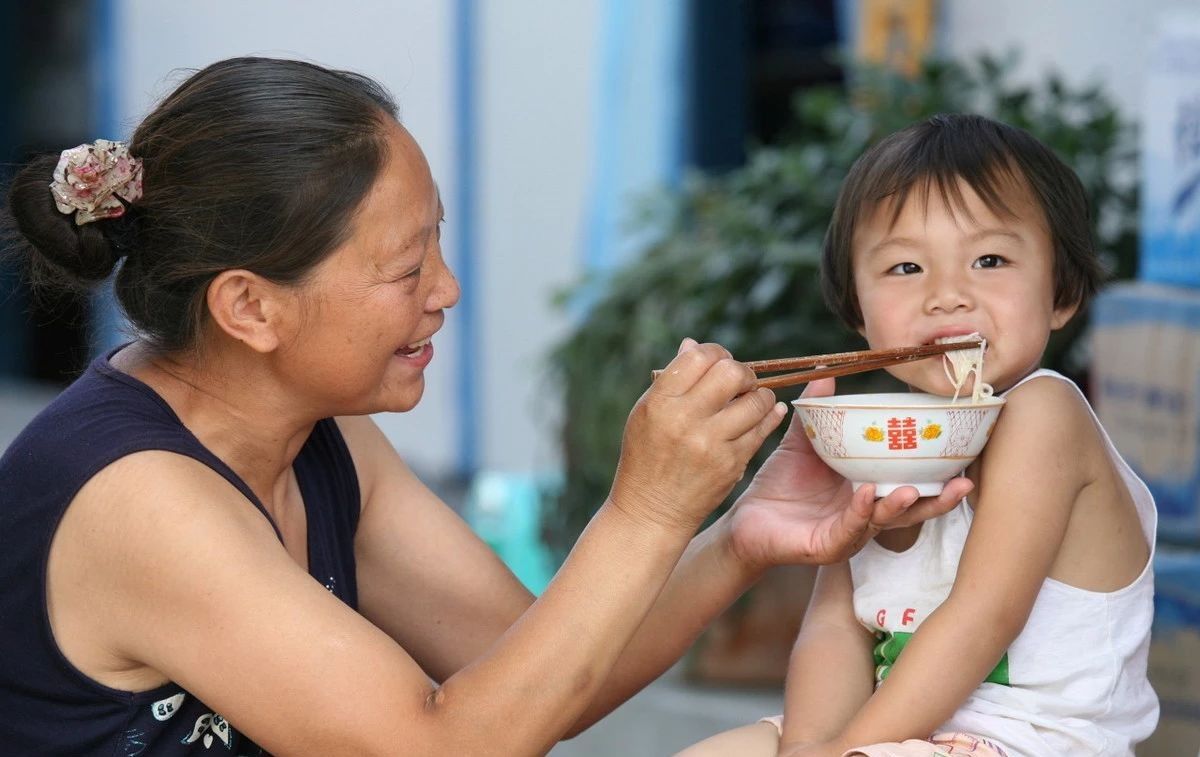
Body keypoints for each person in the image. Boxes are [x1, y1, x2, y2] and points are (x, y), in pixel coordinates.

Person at [0, 57, 971, 756]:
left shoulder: (318, 436)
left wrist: (741, 537)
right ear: (250, 306)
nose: (447, 289)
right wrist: (644, 509)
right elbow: (455, 746)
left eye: (439, 244)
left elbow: (536, 674)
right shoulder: (142, 500)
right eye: (405, 265)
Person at [678, 114, 1158, 757]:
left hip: (1027, 742)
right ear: (857, 307)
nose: (948, 296)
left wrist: (849, 749)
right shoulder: (876, 434)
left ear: (1061, 292)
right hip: (887, 733)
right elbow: (836, 627)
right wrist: (811, 746)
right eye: (905, 267)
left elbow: (983, 616)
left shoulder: (1045, 413)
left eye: (990, 259)